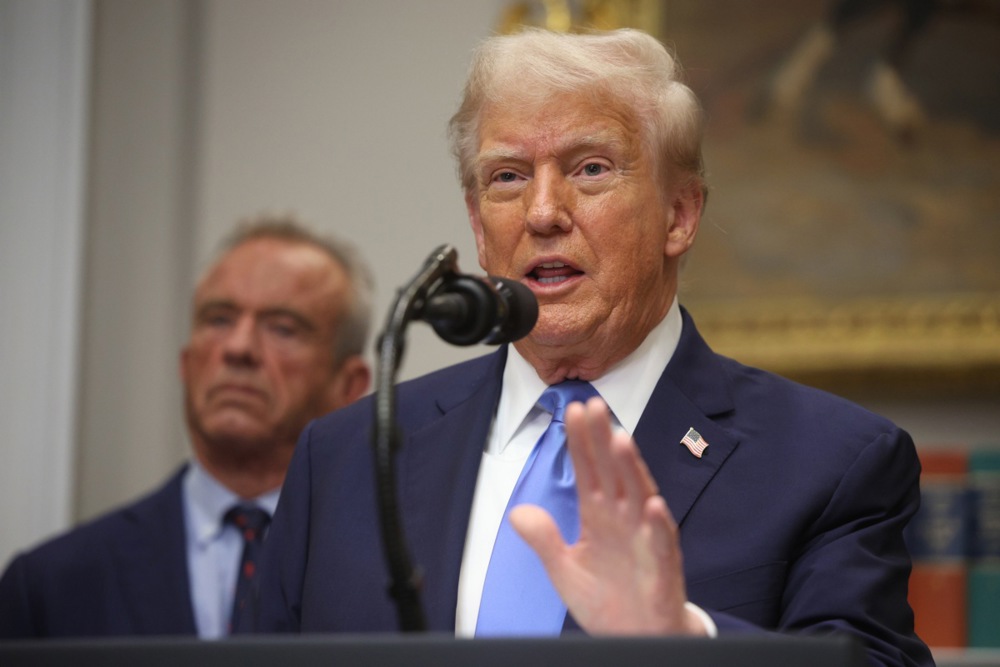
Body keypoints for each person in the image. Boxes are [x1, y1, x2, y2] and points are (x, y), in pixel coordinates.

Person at [249, 29, 933, 667]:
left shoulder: (831, 463)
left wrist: (682, 638)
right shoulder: (344, 458)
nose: (543, 211)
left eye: (591, 168)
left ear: (679, 214)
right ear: (478, 227)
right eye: (508, 177)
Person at [0, 215, 374, 638]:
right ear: (187, 363)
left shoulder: (393, 570)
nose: (238, 348)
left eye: (282, 328)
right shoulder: (51, 585)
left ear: (350, 386)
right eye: (218, 320)